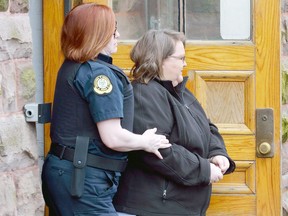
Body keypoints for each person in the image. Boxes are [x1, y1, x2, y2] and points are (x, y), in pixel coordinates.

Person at [41, 3, 170, 216]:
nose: (117, 34)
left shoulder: (74, 66)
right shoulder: (98, 75)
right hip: (82, 181)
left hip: (73, 175)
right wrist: (146, 141)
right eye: (113, 30)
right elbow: (113, 138)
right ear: (98, 34)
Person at [113, 29, 236, 216]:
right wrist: (203, 170)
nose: (185, 64)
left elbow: (208, 128)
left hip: (177, 206)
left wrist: (217, 154)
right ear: (160, 59)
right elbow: (161, 151)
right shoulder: (144, 93)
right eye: (181, 58)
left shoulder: (179, 92)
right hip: (153, 208)